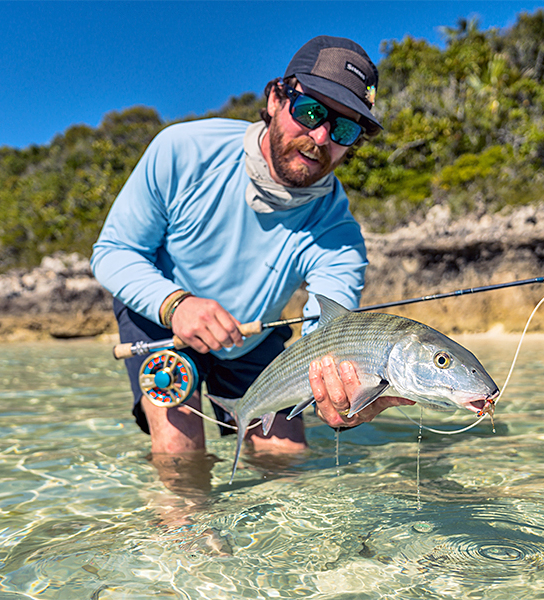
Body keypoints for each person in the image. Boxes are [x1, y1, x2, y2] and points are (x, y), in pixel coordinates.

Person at [91, 36, 413, 465]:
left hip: (253, 336)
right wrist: (176, 305)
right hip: (160, 319)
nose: (320, 136)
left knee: (288, 462)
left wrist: (341, 395)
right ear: (276, 98)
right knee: (179, 457)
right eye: (311, 111)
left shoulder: (339, 234)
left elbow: (327, 335)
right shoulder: (183, 150)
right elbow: (114, 251)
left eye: (344, 128)